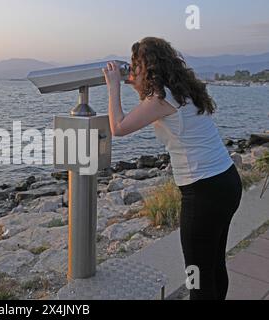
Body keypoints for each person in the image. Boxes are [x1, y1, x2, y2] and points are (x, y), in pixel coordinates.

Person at [103, 37, 243, 300]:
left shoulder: (162, 97)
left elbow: (118, 127)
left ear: (148, 67)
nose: (133, 72)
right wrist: (136, 86)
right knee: (213, 264)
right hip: (226, 182)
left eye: (136, 66)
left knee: (196, 274)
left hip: (203, 192)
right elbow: (151, 108)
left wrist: (113, 87)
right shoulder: (183, 91)